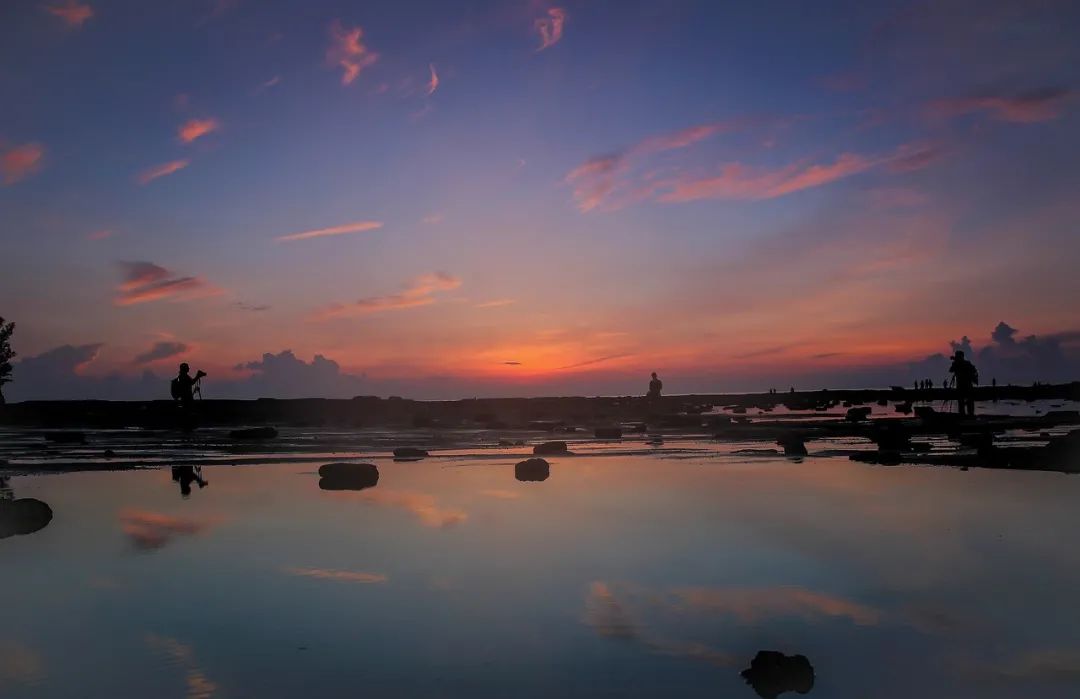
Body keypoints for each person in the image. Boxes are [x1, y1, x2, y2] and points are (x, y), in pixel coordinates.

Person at [948, 350, 979, 417]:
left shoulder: (961, 363)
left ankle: (966, 415)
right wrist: (955, 362)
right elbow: (951, 370)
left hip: (963, 385)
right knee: (965, 401)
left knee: (963, 401)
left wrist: (955, 362)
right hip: (965, 385)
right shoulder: (966, 363)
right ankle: (969, 415)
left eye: (957, 356)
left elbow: (951, 370)